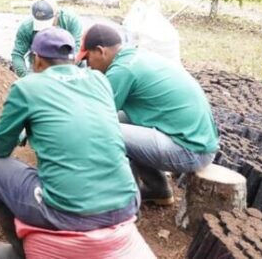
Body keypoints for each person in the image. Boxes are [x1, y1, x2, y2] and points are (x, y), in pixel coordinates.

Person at [0, 28, 138, 259]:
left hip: (69, 213)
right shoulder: (99, 80)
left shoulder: (27, 87)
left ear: (38, 60)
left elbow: (0, 149)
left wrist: (26, 130)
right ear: (73, 58)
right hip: (127, 203)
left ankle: (18, 252)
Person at [78, 23, 219, 206]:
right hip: (197, 142)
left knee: (106, 131)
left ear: (100, 51)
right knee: (122, 120)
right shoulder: (135, 56)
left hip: (190, 150)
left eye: (88, 58)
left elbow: (96, 117)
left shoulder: (122, 70)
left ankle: (127, 204)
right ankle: (158, 189)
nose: (88, 65)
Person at [10, 0, 82, 77]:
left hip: (65, 62)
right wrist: (25, 76)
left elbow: (77, 51)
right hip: (40, 63)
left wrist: (63, 76)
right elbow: (17, 54)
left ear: (56, 15)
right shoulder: (26, 27)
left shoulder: (71, 21)